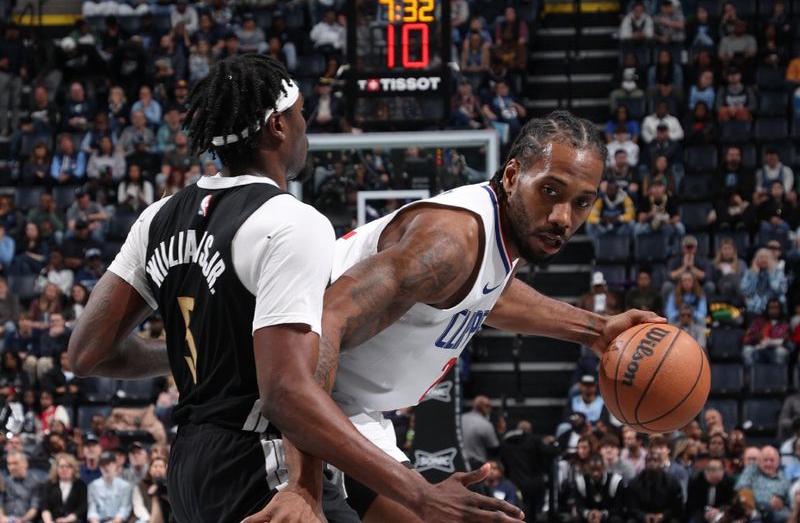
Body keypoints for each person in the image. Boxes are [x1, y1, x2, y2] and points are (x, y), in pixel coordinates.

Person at [67, 54, 519, 523]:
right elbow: (287, 393)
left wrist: (201, 347)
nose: (306, 125)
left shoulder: (157, 217)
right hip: (261, 459)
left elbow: (87, 354)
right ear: (278, 126)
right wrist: (419, 494)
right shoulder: (291, 222)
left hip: (189, 464)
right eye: (301, 113)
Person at [306, 111, 663, 521]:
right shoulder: (449, 245)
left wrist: (596, 330)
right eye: (550, 190)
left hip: (348, 403)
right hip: (281, 393)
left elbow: (493, 295)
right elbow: (319, 326)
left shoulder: (493, 241)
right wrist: (303, 485)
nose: (564, 217)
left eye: (581, 202)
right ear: (512, 176)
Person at [735, 445, 791, 522]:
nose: (768, 464)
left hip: (775, 513)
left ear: (778, 462)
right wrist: (760, 505)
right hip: (752, 510)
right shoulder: (752, 470)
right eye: (765, 460)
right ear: (759, 461)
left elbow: (790, 504)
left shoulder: (784, 480)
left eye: (772, 460)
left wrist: (781, 504)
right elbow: (741, 488)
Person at [626, 449, 684, 523]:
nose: (652, 463)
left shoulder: (672, 482)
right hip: (643, 517)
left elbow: (677, 507)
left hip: (665, 517)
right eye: (649, 461)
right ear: (645, 463)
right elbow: (632, 507)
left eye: (655, 460)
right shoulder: (635, 483)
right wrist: (643, 516)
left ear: (661, 463)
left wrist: (663, 515)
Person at [572, 454, 625, 523]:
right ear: (587, 469)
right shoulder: (580, 482)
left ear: (604, 468)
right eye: (592, 470)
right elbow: (579, 505)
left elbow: (618, 507)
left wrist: (602, 515)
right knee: (575, 519)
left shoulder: (615, 481)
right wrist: (588, 514)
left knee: (616, 520)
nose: (595, 473)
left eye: (598, 469)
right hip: (588, 516)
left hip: (608, 516)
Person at [40, 452, 89, 523]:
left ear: (73, 469)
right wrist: (49, 521)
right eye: (61, 466)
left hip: (73, 520)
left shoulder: (81, 485)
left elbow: (82, 508)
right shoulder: (49, 484)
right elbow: (45, 507)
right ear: (56, 468)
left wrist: (67, 520)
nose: (65, 469)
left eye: (68, 466)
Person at [742, 298, 790, 367]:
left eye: (776, 308)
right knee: (747, 350)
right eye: (771, 308)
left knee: (782, 352)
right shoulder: (758, 322)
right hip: (759, 349)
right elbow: (745, 340)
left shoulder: (784, 324)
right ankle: (749, 376)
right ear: (767, 309)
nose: (774, 310)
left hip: (775, 350)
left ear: (780, 309)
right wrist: (756, 336)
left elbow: (787, 340)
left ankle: (779, 376)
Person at [686, 458, 735, 523]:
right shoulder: (695, 480)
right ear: (706, 472)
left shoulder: (728, 480)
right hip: (700, 511)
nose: (716, 474)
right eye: (713, 470)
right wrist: (704, 514)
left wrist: (719, 510)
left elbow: (729, 502)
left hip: (720, 512)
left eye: (720, 469)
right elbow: (692, 504)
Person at [87, 452, 132, 523]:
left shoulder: (125, 486)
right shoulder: (93, 485)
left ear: (115, 465)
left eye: (108, 464)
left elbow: (125, 508)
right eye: (102, 465)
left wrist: (114, 522)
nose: (105, 467)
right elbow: (92, 509)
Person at [741, 248, 788, 315]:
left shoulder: (778, 272)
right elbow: (747, 292)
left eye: (766, 257)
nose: (763, 260)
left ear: (771, 259)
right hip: (754, 309)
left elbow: (780, 290)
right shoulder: (749, 273)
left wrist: (770, 274)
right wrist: (755, 275)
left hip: (774, 307)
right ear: (756, 260)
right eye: (761, 257)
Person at [462, 395, 499, 469]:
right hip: (477, 465)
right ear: (484, 407)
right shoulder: (486, 424)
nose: (490, 410)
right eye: (489, 406)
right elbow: (494, 447)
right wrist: (500, 433)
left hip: (458, 462)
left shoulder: (461, 418)